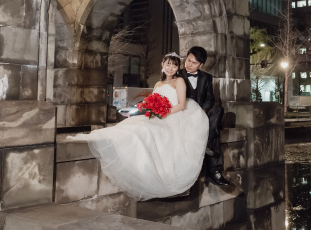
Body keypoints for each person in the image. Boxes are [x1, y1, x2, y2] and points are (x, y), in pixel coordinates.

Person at [68, 53, 209, 200]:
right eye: (168, 64)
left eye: (174, 65)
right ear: (162, 65)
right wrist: (153, 110)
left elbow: (181, 105)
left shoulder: (179, 81)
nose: (171, 68)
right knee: (130, 126)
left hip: (172, 117)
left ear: (178, 68)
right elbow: (153, 101)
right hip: (157, 117)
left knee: (144, 132)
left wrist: (164, 112)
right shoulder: (158, 84)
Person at [184, 46, 231, 187]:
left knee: (218, 110)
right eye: (188, 60)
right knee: (213, 132)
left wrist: (203, 110)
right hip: (184, 113)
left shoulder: (206, 77)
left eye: (194, 63)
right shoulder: (178, 75)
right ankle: (214, 171)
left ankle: (208, 143)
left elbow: (210, 98)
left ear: (201, 65)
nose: (189, 64)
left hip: (201, 112)